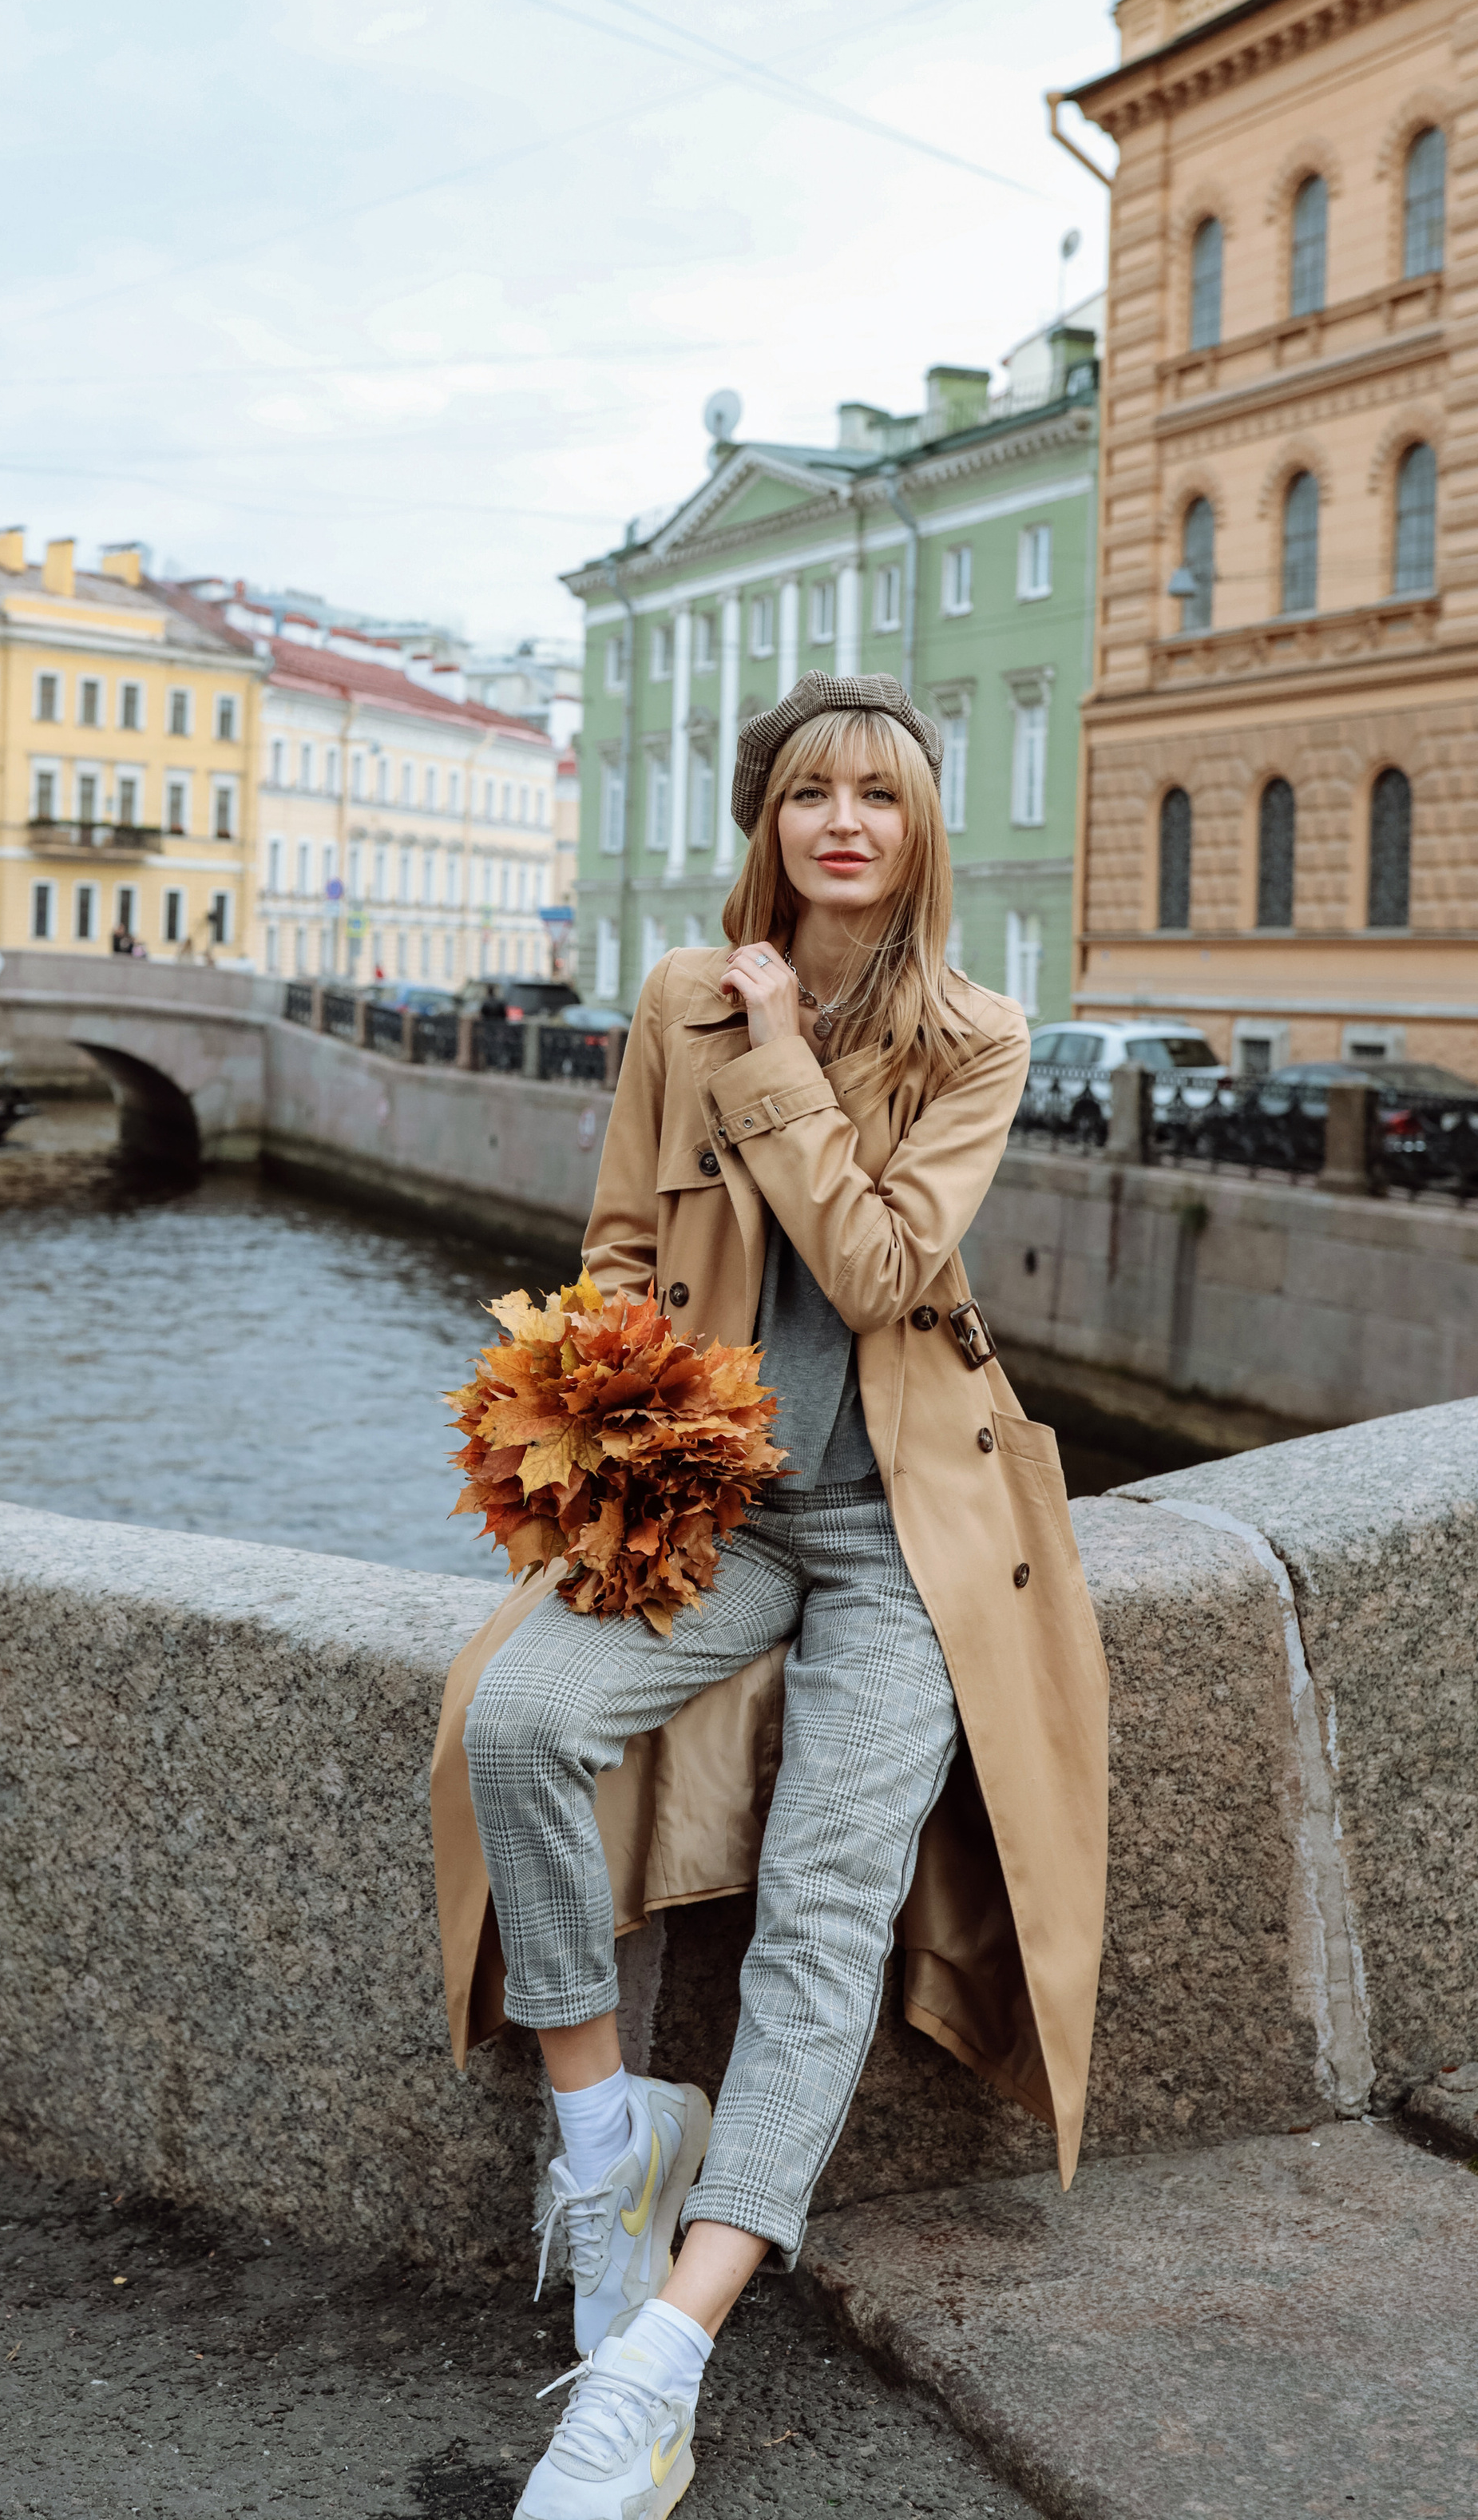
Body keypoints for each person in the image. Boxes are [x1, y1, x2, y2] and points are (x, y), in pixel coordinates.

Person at [434, 673, 1108, 2520]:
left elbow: (886, 1267)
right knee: (514, 1717)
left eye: (876, 795)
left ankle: (656, 2357)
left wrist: (780, 1047)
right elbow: (619, 1244)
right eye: (806, 790)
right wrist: (597, 1420)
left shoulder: (975, 1031)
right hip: (719, 1500)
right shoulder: (674, 994)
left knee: (828, 1908)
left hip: (905, 1523)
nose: (839, 820)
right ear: (765, 821)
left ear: (917, 831)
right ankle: (607, 2134)